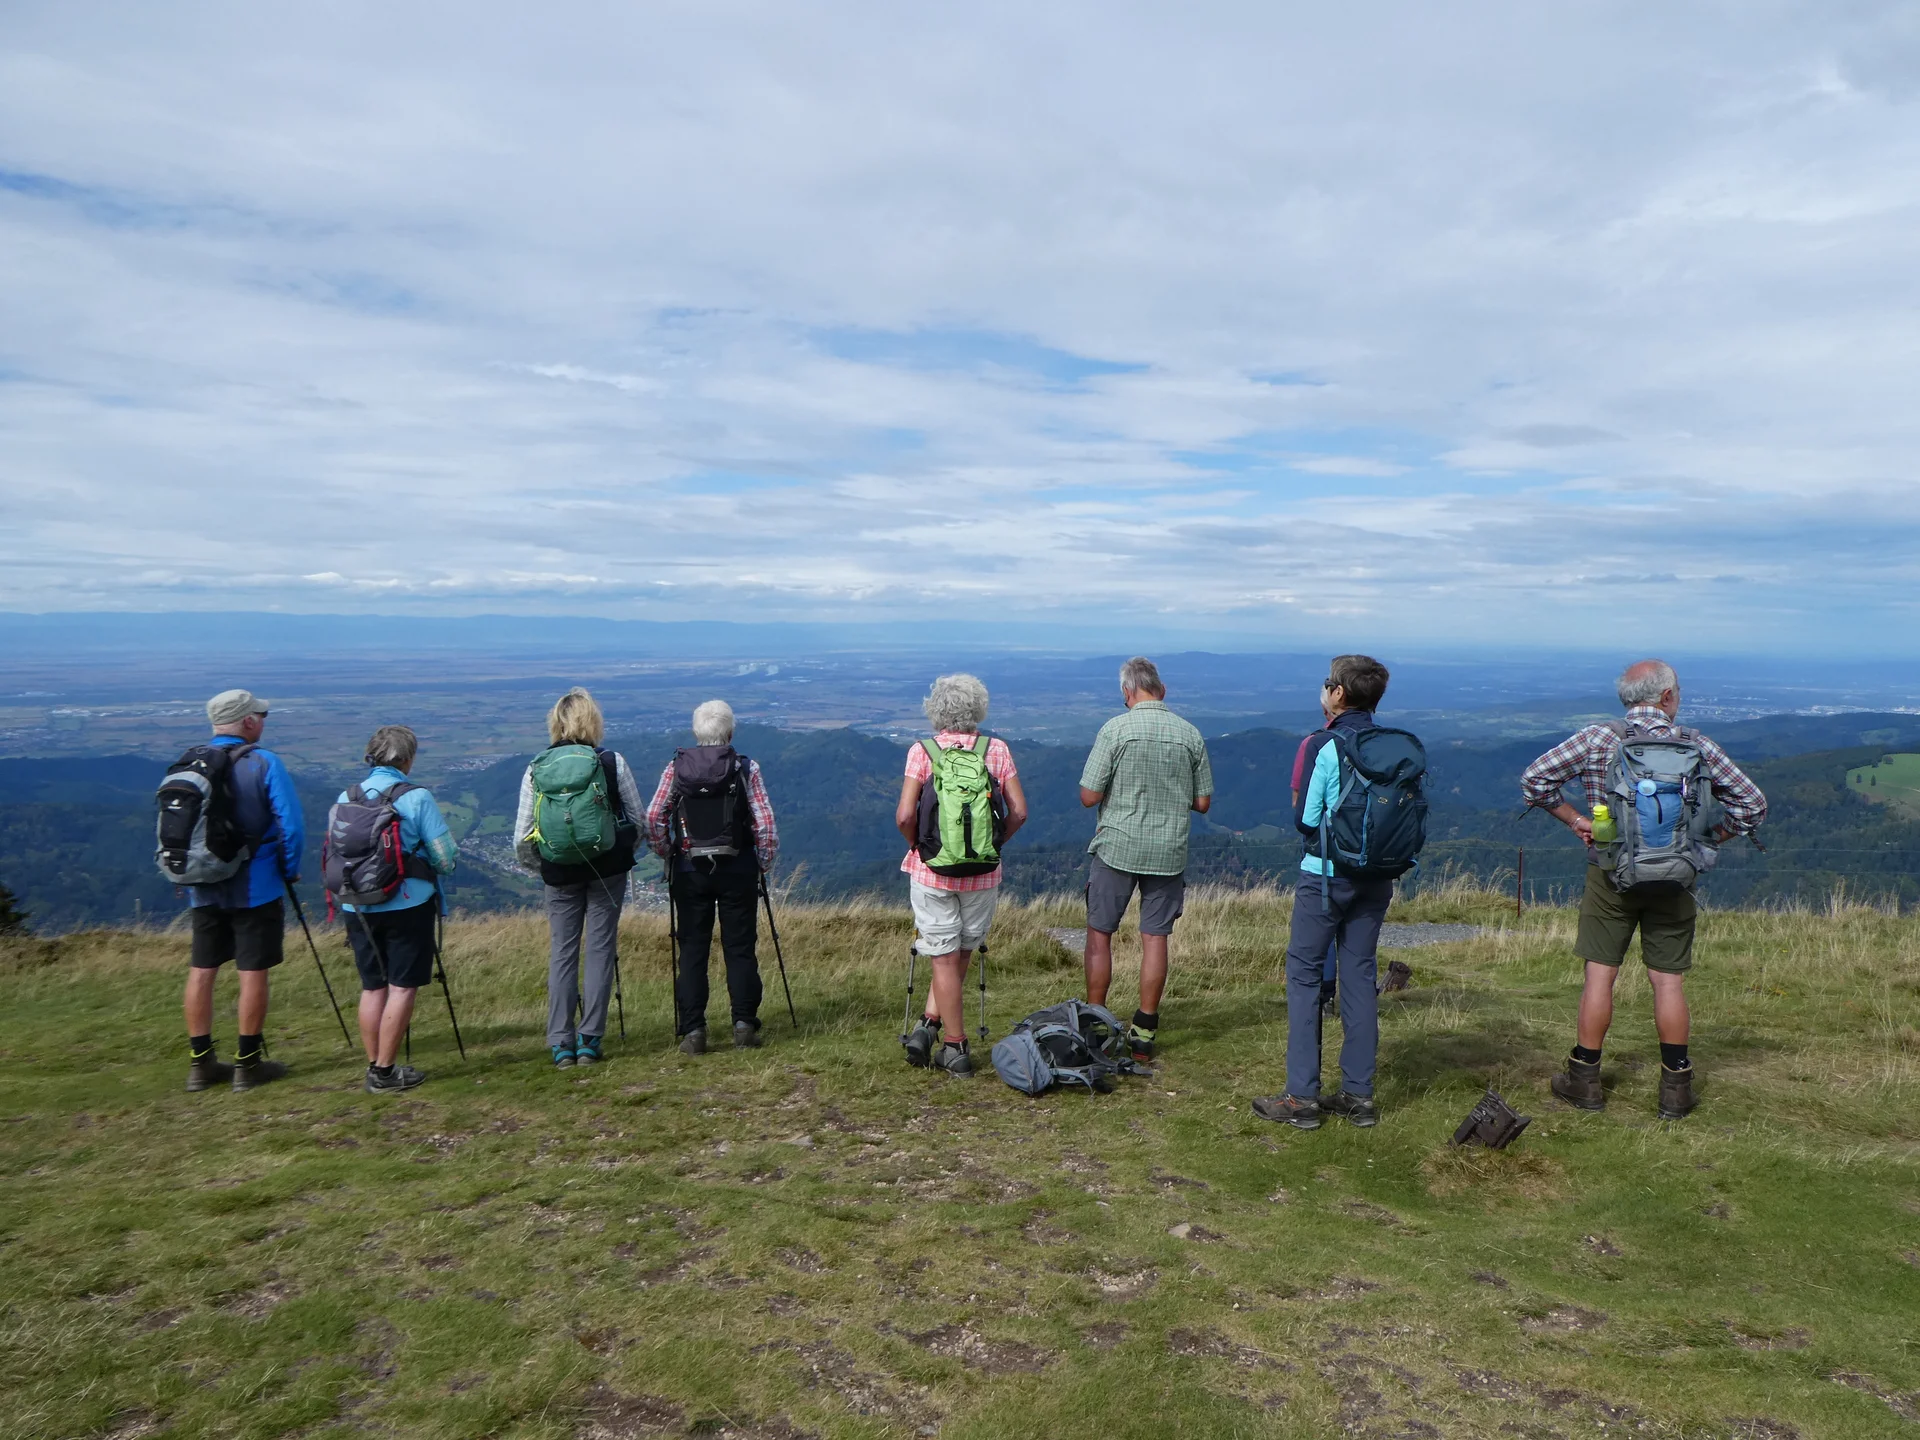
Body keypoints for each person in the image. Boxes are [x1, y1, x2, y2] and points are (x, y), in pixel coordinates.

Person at [1521, 659, 1766, 1119]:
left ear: (1626, 698)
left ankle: (1584, 1080)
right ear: (1668, 696)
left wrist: (1576, 820)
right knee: (1667, 980)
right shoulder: (1696, 745)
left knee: (1600, 975)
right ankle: (1674, 1089)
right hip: (1675, 877)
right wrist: (1709, 840)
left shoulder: (1597, 739)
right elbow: (1752, 804)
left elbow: (1535, 780)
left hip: (1610, 873)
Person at [1252, 655, 1395, 1130]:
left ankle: (1301, 1097)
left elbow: (1306, 820)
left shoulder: (1323, 744)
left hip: (1326, 875)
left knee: (1306, 976)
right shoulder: (1392, 746)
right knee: (1359, 975)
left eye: (1327, 684)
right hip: (1378, 876)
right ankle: (1358, 1095)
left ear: (1338, 694)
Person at [1078, 656, 1212, 1062]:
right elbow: (1202, 802)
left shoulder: (1115, 730)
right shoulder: (1189, 734)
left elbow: (1089, 796)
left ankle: (1094, 1022)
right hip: (1168, 850)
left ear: (1127, 691)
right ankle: (1144, 1031)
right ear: (1162, 689)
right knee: (1155, 938)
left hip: (1117, 845)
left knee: (1100, 933)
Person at [896, 674, 1029, 1076]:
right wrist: (995, 844)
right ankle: (929, 1025)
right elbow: (1019, 811)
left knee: (942, 957)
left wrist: (919, 846)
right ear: (978, 709)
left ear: (936, 710)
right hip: (983, 875)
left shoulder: (923, 752)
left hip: (933, 872)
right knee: (960, 954)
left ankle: (954, 1048)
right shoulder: (997, 750)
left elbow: (905, 814)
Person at [180, 690, 306, 1094]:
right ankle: (247, 1065)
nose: (263, 721)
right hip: (257, 885)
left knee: (202, 971)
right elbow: (291, 827)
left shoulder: (190, 764)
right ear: (247, 722)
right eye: (260, 715)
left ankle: (201, 1065)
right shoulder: (265, 762)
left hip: (203, 886)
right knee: (253, 972)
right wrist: (288, 871)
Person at [515, 688, 647, 1069]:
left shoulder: (537, 767)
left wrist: (540, 867)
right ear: (594, 722)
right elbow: (637, 819)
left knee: (562, 952)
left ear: (555, 723)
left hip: (558, 872)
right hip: (607, 868)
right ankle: (590, 1041)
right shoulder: (610, 762)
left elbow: (523, 832)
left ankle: (561, 1043)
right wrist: (624, 853)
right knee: (601, 948)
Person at [646, 700, 779, 1056]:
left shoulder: (677, 767)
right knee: (739, 948)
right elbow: (764, 824)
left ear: (696, 732)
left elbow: (655, 815)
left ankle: (694, 1031)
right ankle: (744, 1025)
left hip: (690, 872)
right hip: (738, 868)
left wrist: (668, 853)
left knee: (692, 949)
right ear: (730, 732)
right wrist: (762, 863)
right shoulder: (745, 768)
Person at [335, 726, 459, 1094]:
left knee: (373, 986)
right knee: (402, 987)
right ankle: (386, 1073)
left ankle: (375, 1066)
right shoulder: (416, 797)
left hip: (356, 903)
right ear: (407, 759)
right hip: (407, 903)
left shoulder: (347, 795)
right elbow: (445, 857)